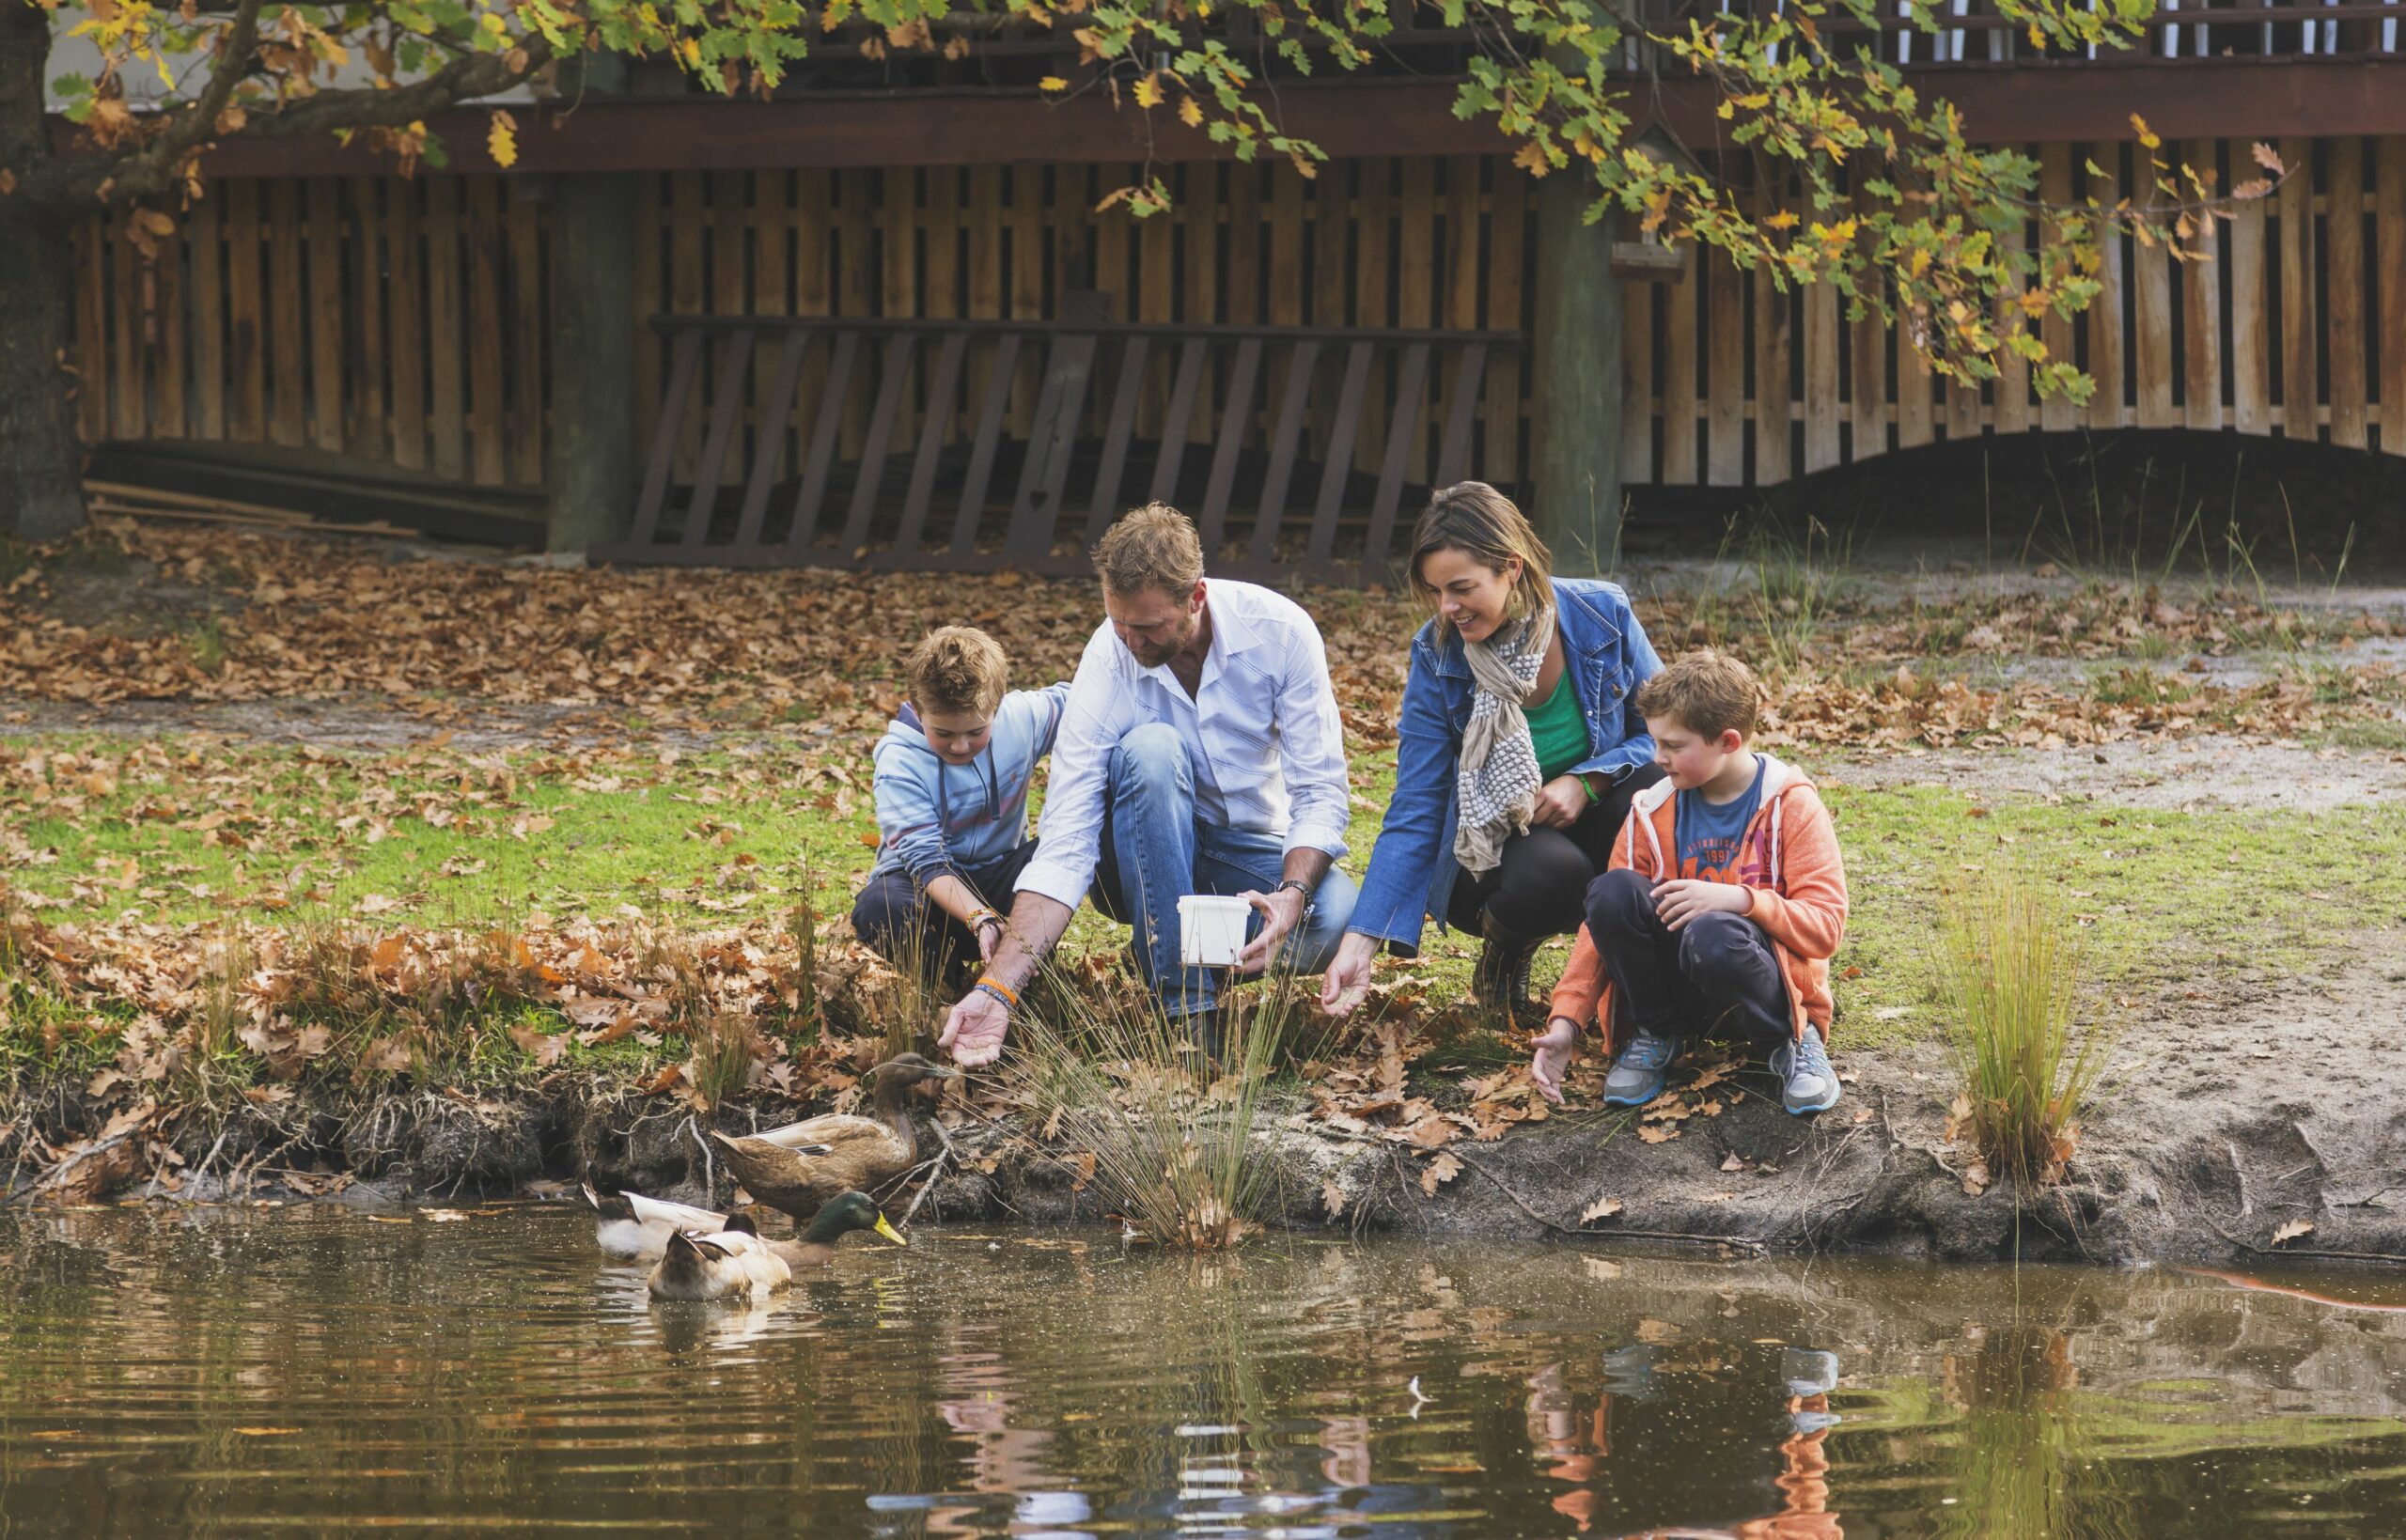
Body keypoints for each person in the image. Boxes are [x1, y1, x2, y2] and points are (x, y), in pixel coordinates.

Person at [936, 504, 1359, 1066]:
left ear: (1196, 598)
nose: (1131, 642)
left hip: (1241, 851)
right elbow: (1066, 841)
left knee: (1333, 917)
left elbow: (1321, 790)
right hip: (1133, 854)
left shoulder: (1280, 632)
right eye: (1119, 623)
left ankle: (1165, 950)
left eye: (1149, 626)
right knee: (1152, 748)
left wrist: (1292, 894)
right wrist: (998, 988)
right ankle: (1188, 1016)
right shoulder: (1108, 660)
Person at [1321, 483, 1665, 1024]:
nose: (1447, 608)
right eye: (1437, 591)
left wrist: (1588, 781)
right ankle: (1505, 953)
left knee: (1652, 792)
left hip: (1597, 813)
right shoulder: (1438, 655)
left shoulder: (1602, 614)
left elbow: (1667, 734)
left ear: (1512, 566)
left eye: (1461, 588)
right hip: (1495, 850)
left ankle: (1644, 975)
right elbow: (1416, 804)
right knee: (1556, 874)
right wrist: (1359, 944)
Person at [1528, 649, 1850, 1117]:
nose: (1657, 758)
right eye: (1656, 742)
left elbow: (1825, 928)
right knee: (1611, 890)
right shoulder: (1650, 808)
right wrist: (1567, 1021)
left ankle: (1793, 1043)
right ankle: (1657, 1034)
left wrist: (1741, 901)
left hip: (1758, 985)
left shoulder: (1791, 805)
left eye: (1674, 746)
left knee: (1713, 930)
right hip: (1679, 988)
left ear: (1728, 741)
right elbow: (1598, 931)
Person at [851, 627, 1070, 992]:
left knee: (1061, 855)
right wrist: (979, 918)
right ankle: (944, 989)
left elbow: (1094, 707)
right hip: (927, 895)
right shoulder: (899, 761)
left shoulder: (1023, 718)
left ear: (996, 707)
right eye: (944, 733)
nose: (960, 746)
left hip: (1002, 880)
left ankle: (1029, 980)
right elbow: (928, 862)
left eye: (976, 731)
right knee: (878, 906)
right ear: (919, 711)